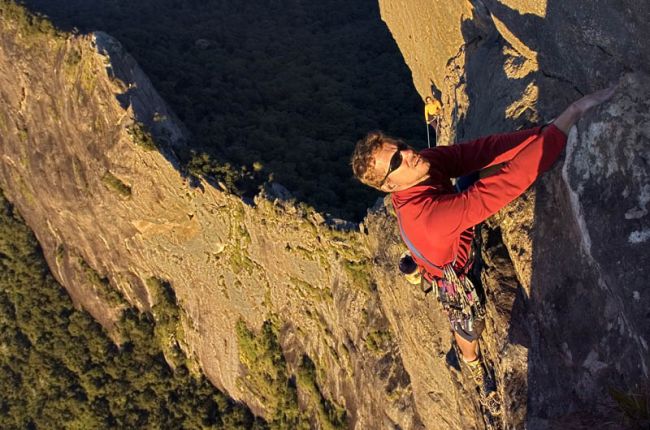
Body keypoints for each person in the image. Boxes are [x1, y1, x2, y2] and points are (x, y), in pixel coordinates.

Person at [351, 86, 616, 412]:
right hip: (450, 271)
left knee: (476, 171)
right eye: (396, 160)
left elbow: (477, 153)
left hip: (444, 231)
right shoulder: (431, 216)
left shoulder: (423, 165)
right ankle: (469, 360)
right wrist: (570, 116)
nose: (408, 154)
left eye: (401, 147)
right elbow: (505, 184)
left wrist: (540, 133)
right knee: (467, 322)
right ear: (389, 185)